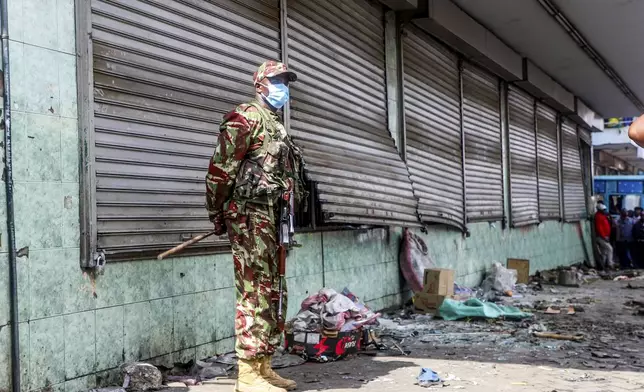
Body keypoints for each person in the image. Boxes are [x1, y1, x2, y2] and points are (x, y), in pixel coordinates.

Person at [205, 60, 306, 392]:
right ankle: (247, 374)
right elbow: (220, 171)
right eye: (278, 81)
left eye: (286, 82)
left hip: (273, 219)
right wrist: (217, 212)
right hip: (249, 217)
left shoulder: (274, 123)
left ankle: (263, 366)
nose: (284, 87)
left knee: (273, 291)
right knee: (253, 292)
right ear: (260, 84)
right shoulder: (244, 117)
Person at [594, 203, 614, 270]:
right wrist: (604, 237)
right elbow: (599, 228)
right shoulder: (598, 217)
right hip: (601, 237)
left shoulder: (603, 216)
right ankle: (610, 264)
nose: (605, 211)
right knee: (610, 249)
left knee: (604, 252)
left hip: (605, 236)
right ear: (599, 210)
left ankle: (602, 265)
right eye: (603, 210)